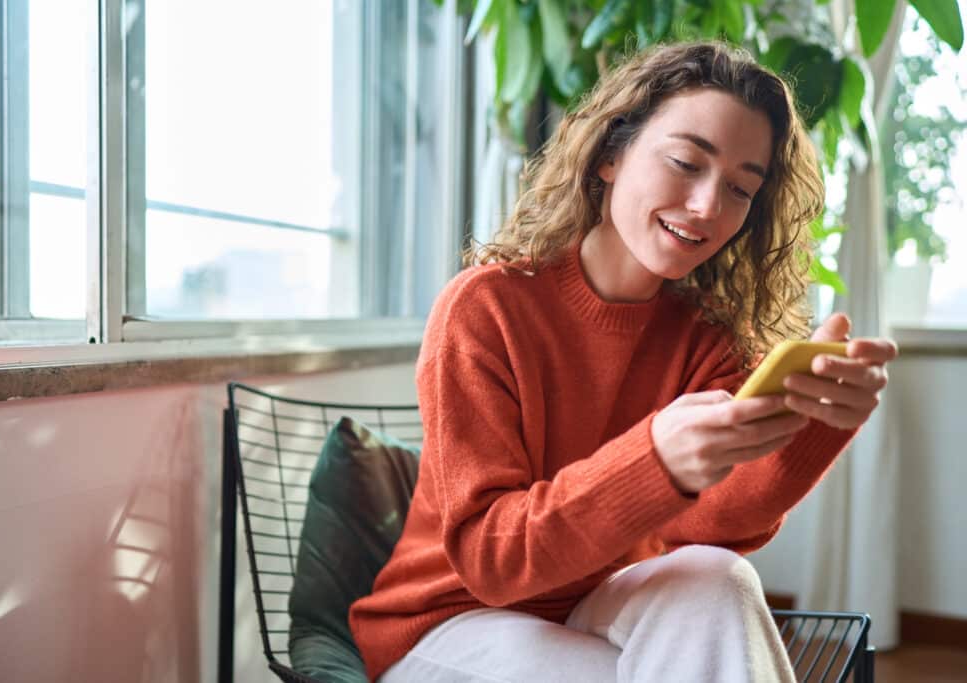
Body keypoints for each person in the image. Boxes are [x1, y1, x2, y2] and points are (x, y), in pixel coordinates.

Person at [349, 41, 898, 682]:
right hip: (450, 619)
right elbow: (490, 560)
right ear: (611, 155)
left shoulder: (705, 337)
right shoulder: (486, 309)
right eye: (687, 163)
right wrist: (654, 458)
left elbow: (714, 524)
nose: (707, 207)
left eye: (741, 190)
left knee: (716, 578)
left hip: (594, 605)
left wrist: (818, 420)